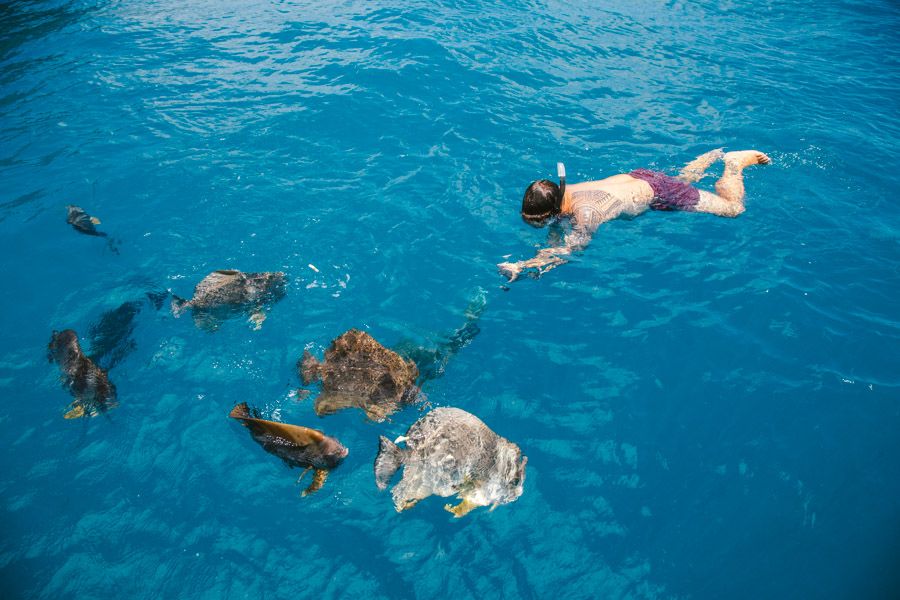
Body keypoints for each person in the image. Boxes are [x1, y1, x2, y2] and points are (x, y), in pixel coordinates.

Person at [498, 149, 771, 281]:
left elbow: (569, 251)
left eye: (539, 221)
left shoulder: (587, 213)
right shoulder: (563, 190)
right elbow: (557, 228)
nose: (538, 225)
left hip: (658, 193)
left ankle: (733, 164)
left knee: (733, 209)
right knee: (678, 182)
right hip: (640, 177)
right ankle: (706, 158)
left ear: (553, 210)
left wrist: (522, 266)